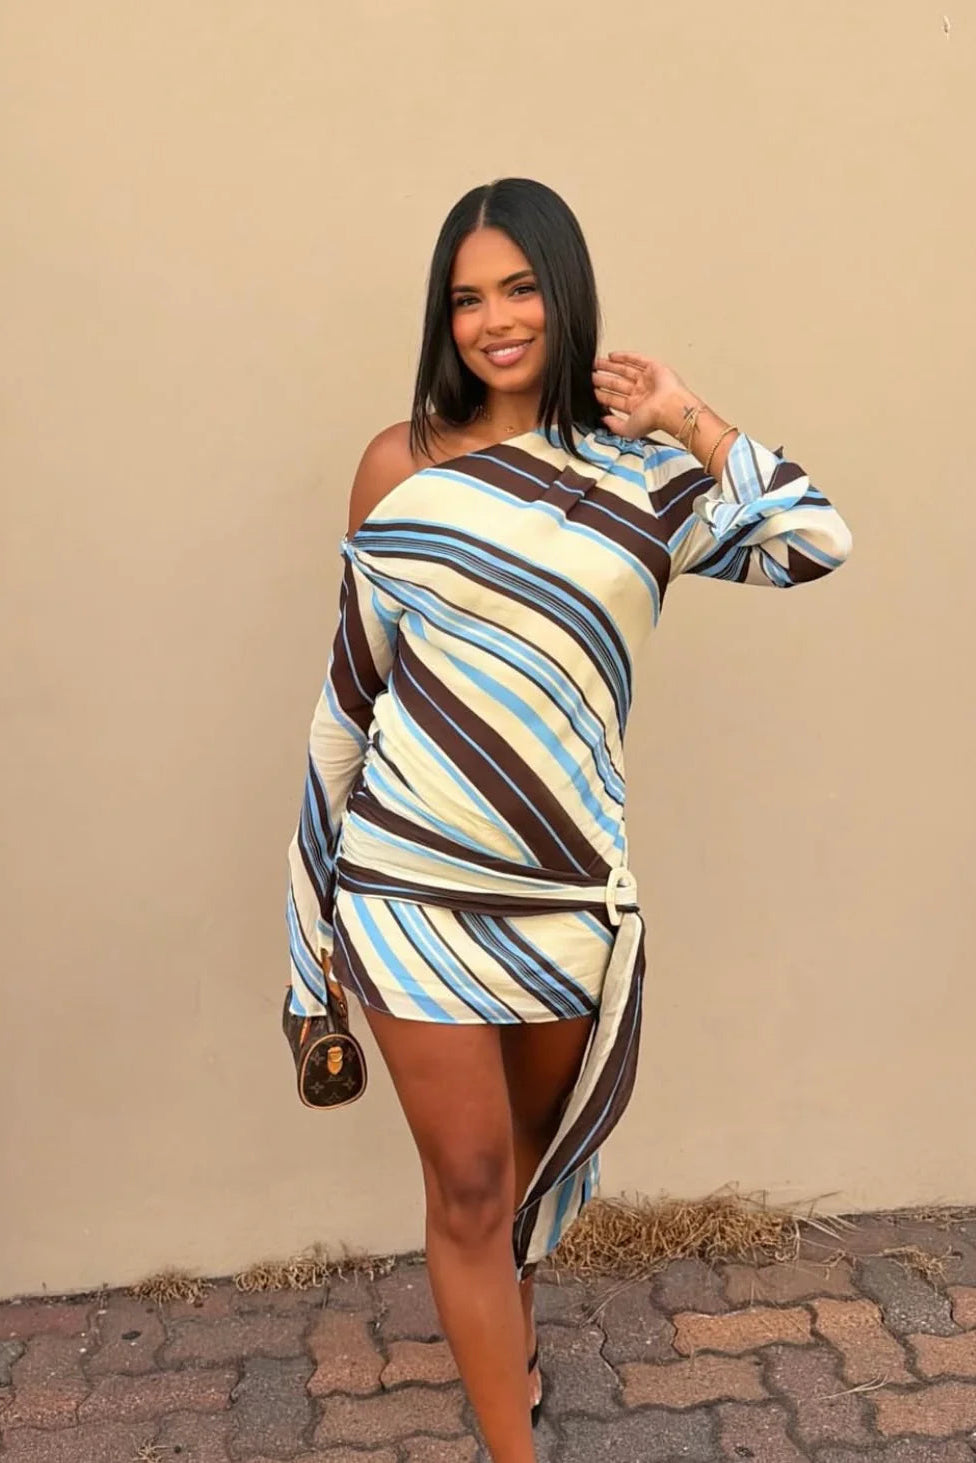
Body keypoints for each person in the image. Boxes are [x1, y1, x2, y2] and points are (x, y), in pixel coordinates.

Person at [286, 177, 851, 1462]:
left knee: (527, 1189)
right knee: (471, 1186)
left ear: (566, 290)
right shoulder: (401, 464)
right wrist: (309, 915)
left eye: (520, 286)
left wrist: (686, 416)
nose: (494, 319)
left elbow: (815, 538)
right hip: (410, 883)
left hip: (565, 900)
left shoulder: (643, 477)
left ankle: (511, 1357)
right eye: (467, 296)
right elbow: (351, 691)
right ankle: (512, 1442)